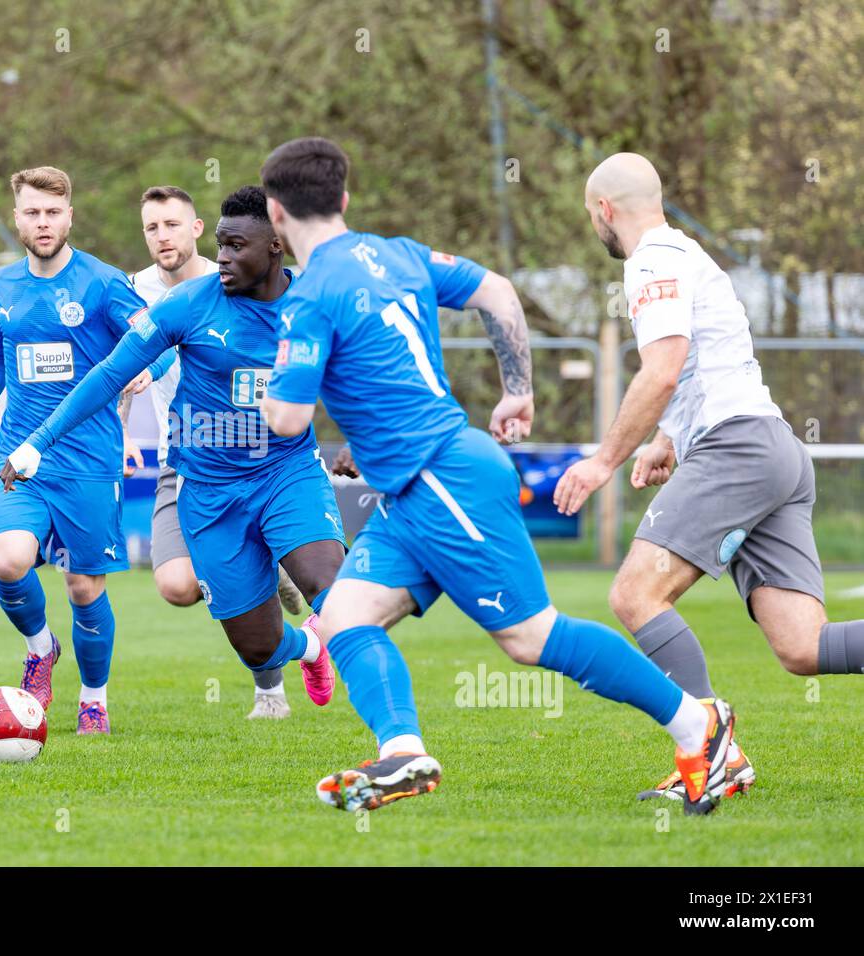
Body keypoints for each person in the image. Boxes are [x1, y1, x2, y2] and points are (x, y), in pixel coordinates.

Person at [257, 137, 733, 815]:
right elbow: (498, 291)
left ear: (275, 215)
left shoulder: (309, 299)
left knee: (531, 637)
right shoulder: (400, 253)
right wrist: (518, 388)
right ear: (344, 198)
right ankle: (402, 752)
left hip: (443, 477)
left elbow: (286, 418)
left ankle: (698, 727)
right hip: (413, 488)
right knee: (343, 618)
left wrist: (267, 395)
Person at [554, 151, 864, 799]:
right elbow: (702, 365)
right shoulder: (689, 254)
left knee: (634, 596)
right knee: (803, 647)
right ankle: (720, 755)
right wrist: (668, 436)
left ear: (605, 210)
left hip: (738, 449)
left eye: (592, 216)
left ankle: (707, 747)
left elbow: (663, 369)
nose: (596, 226)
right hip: (771, 447)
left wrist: (604, 459)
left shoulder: (651, 262)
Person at [1, 185, 345, 717]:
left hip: (287, 472)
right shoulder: (186, 304)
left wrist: (363, 442)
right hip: (206, 490)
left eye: (235, 247)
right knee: (257, 645)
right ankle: (309, 648)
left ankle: (397, 745)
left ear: (276, 245)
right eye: (223, 246)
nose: (223, 259)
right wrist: (37, 444)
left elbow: (363, 379)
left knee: (336, 595)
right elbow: (110, 372)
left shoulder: (316, 306)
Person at [0, 166, 144, 735]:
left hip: (89, 461)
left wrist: (147, 370)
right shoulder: (1, 287)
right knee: (7, 559)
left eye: (53, 212)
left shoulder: (103, 284)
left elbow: (155, 339)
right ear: (17, 219)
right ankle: (40, 648)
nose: (43, 222)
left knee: (83, 586)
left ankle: (94, 699)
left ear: (70, 216)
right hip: (19, 457)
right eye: (32, 212)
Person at [125, 184, 307, 719]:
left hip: (262, 456)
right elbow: (127, 363)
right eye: (152, 227)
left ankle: (269, 693)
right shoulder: (133, 292)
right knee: (177, 586)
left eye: (173, 224)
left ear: (197, 228)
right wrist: (123, 433)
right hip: (183, 462)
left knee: (248, 573)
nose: (163, 236)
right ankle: (269, 577)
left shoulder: (230, 278)